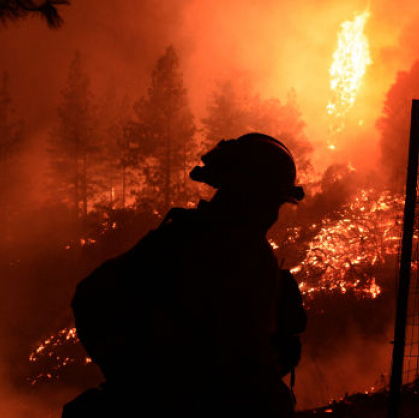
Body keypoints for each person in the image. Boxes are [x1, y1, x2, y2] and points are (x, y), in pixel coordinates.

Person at [64, 133, 307, 418]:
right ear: (252, 198)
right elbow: (247, 363)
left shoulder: (176, 236)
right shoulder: (245, 255)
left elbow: (90, 297)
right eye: (271, 204)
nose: (272, 215)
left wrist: (131, 375)